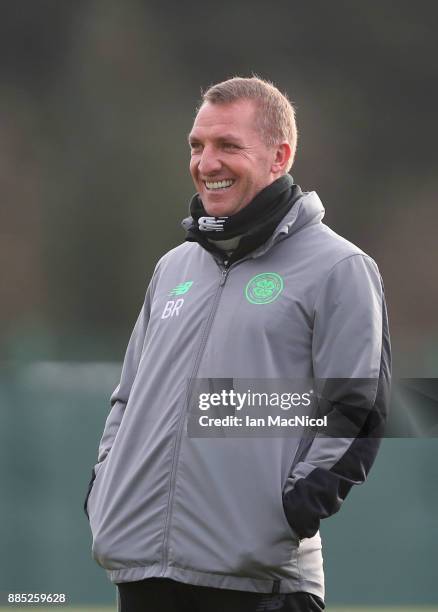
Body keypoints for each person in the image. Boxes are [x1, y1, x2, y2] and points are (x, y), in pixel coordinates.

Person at [84, 77, 391, 612]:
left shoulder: (340, 267)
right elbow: (127, 398)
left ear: (280, 156)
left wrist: (289, 511)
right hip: (142, 574)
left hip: (260, 586)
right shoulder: (173, 267)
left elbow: (357, 407)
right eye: (198, 146)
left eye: (228, 145)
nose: (207, 162)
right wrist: (105, 490)